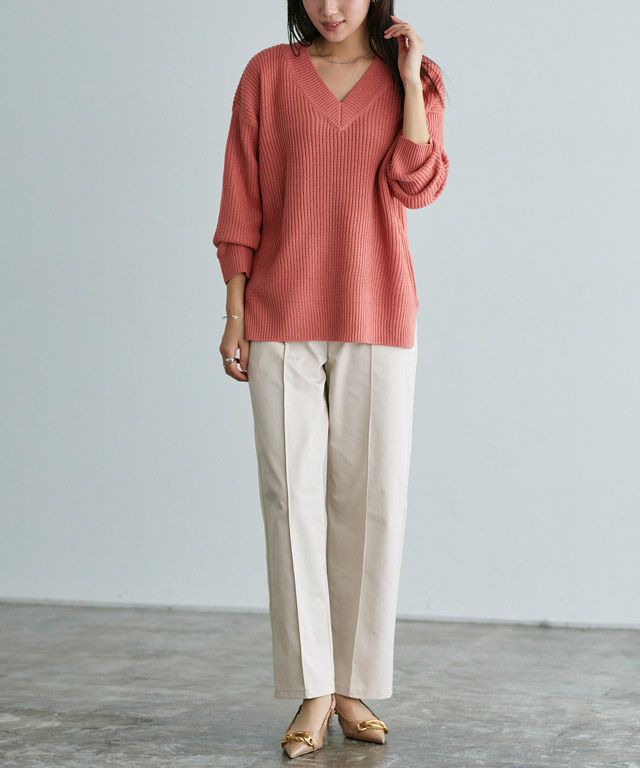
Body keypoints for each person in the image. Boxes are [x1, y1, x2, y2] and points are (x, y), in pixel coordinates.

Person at [212, 0, 449, 758]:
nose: (331, 7)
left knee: (373, 501)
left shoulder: (415, 77)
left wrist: (407, 82)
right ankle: (314, 686)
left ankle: (353, 684)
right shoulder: (267, 75)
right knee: (290, 502)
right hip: (279, 313)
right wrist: (234, 311)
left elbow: (417, 184)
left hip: (378, 310)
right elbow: (241, 198)